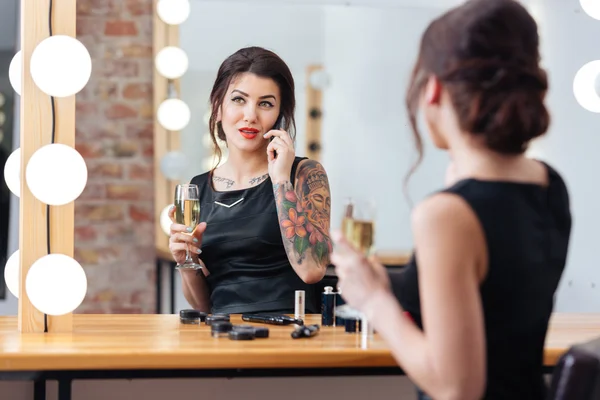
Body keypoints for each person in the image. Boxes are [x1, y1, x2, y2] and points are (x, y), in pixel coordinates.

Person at [331, 1, 571, 400]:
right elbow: (495, 296)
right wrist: (387, 283)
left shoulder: (448, 214)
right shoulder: (549, 185)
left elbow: (457, 388)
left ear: (434, 89)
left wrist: (372, 301)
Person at [168, 46, 332, 315]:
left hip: (290, 336)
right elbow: (204, 305)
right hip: (225, 337)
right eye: (239, 100)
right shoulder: (197, 188)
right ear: (218, 108)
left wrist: (280, 178)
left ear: (279, 116)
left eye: (265, 103)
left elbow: (312, 270)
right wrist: (186, 260)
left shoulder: (304, 174)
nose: (251, 116)